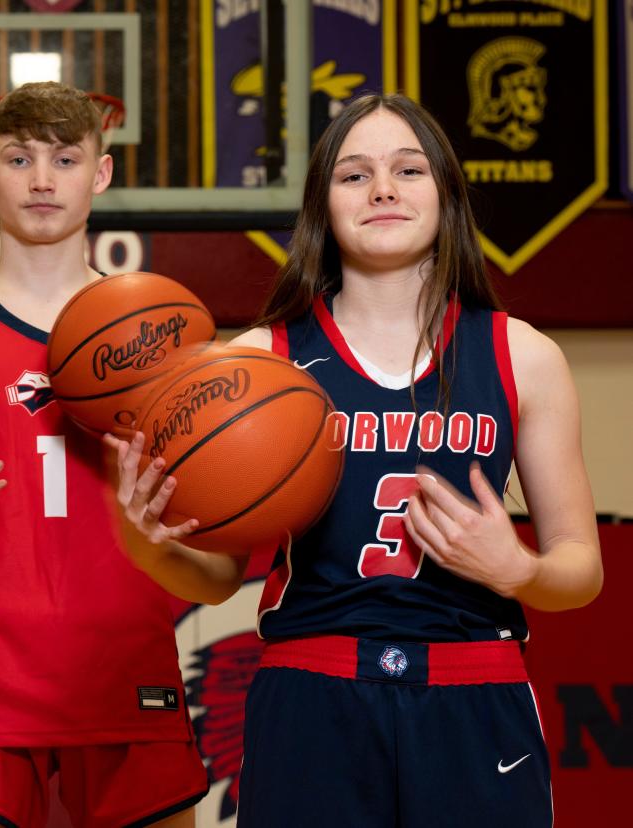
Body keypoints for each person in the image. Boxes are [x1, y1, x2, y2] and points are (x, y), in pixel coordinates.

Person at [108, 93, 603, 827]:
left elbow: (581, 569)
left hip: (474, 686)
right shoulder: (260, 362)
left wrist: (520, 571)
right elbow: (214, 580)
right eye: (354, 175)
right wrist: (144, 541)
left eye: (408, 170)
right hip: (313, 688)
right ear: (322, 205)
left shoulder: (521, 354)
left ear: (447, 195)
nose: (382, 190)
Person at [0, 81, 241, 828]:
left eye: (66, 159)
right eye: (19, 159)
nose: (43, 181)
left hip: (125, 668)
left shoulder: (164, 327)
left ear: (101, 174)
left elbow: (214, 556)